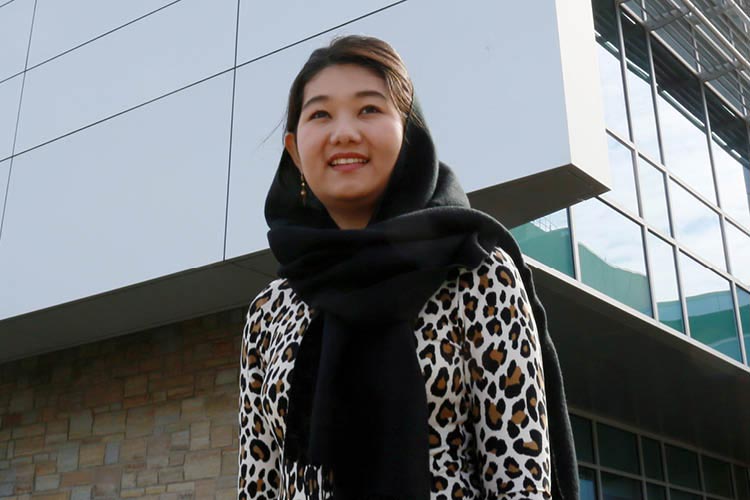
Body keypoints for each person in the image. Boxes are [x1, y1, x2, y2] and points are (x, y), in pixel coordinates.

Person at [238, 35, 579, 500]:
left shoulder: (476, 273)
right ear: (295, 151)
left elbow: (520, 480)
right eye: (320, 114)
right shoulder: (270, 310)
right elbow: (260, 483)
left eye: (369, 110)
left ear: (409, 133)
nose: (343, 132)